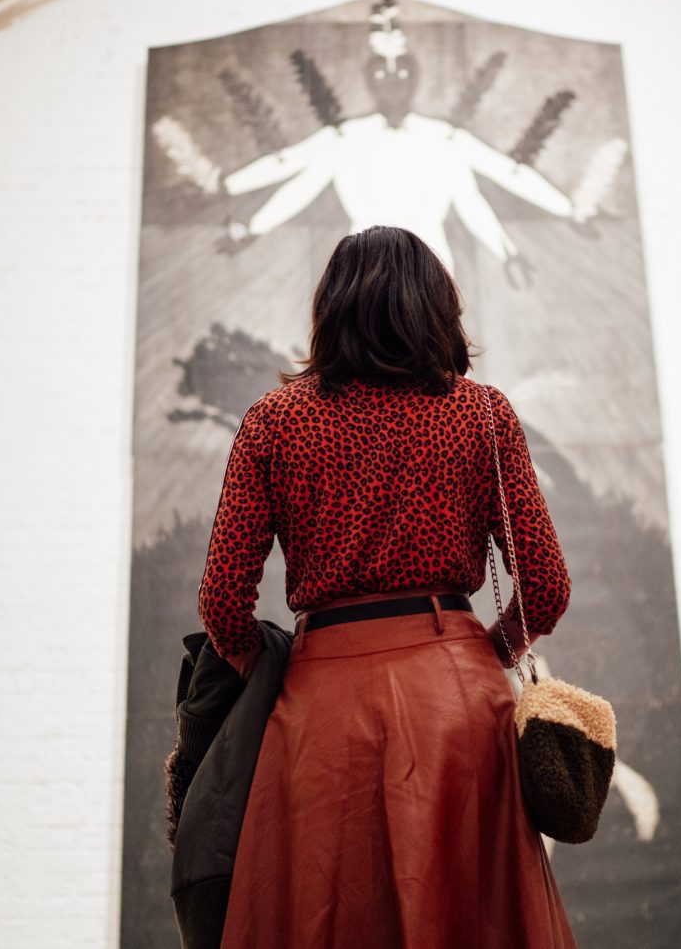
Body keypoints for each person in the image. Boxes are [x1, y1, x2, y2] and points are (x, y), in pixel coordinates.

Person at [196, 224, 577, 947]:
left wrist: (267, 667)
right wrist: (483, 651)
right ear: (437, 308)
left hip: (323, 709)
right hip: (458, 700)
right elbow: (546, 585)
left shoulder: (273, 422)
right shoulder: (481, 414)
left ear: (330, 309)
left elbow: (222, 602)